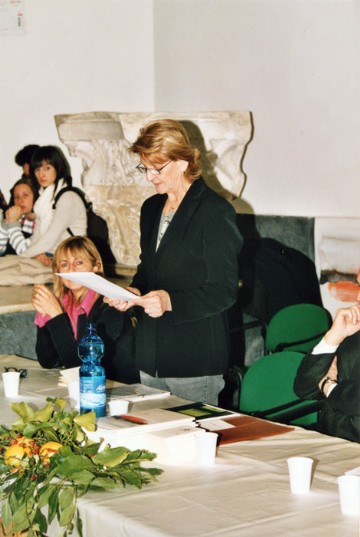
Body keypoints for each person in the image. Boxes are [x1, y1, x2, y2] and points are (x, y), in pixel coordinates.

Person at [105, 119, 242, 405]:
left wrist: (170, 302)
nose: (149, 177)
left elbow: (224, 290)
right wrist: (133, 293)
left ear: (182, 162)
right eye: (145, 168)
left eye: (157, 168)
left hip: (193, 359)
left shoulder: (215, 211)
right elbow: (147, 268)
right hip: (150, 353)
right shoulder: (151, 208)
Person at [31, 235, 139, 384]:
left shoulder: (111, 303)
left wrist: (56, 316)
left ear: (96, 266)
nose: (71, 270)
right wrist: (45, 315)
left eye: (79, 262)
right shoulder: (64, 303)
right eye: (64, 264)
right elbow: (48, 361)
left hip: (120, 390)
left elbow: (81, 367)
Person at [294, 269, 360, 443]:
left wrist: (327, 386)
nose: (359, 297)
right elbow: (305, 388)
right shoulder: (354, 329)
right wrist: (332, 338)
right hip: (329, 441)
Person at [7, 145, 87, 266]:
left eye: (47, 168)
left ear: (58, 168)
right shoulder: (42, 200)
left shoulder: (68, 198)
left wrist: (21, 258)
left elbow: (49, 240)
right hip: (50, 256)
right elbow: (37, 237)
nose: (41, 174)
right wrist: (34, 254)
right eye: (37, 170)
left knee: (7, 271)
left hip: (71, 259)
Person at [0, 177, 39, 256]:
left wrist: (13, 223)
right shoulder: (16, 218)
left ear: (36, 196)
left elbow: (24, 251)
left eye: (25, 195)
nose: (20, 200)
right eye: (16, 197)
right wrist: (6, 223)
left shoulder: (43, 222)